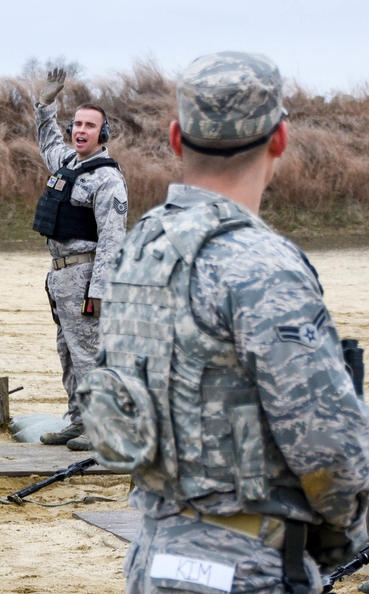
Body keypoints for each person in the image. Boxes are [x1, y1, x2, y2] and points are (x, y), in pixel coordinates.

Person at [77, 51, 369, 593]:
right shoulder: (262, 265)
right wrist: (348, 533)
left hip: (154, 553)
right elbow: (329, 447)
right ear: (279, 139)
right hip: (247, 564)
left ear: (174, 138)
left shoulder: (142, 245)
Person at [30, 67, 128, 451]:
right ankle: (78, 420)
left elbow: (112, 239)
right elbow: (46, 140)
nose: (81, 131)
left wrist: (99, 289)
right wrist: (44, 105)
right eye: (77, 124)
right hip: (61, 278)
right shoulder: (69, 164)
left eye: (90, 126)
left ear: (102, 135)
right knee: (69, 354)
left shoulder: (107, 180)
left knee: (89, 356)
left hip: (86, 275)